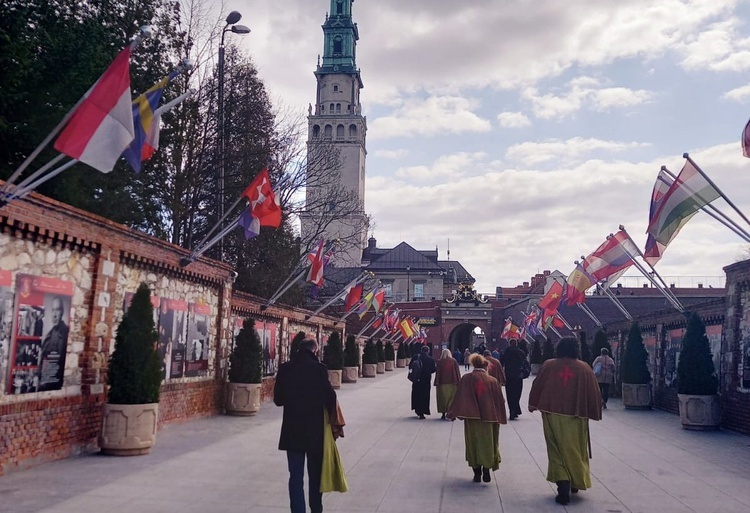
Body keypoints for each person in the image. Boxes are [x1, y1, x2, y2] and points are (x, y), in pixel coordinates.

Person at [528, 337, 602, 505]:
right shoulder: (585, 368)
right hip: (576, 415)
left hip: (552, 413)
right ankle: (576, 479)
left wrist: (533, 403)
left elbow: (537, 384)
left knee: (556, 448)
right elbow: (594, 392)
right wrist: (593, 410)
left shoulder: (549, 365)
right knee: (576, 447)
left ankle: (563, 483)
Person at [274, 335, 337, 513]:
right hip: (315, 433)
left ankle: (297, 510)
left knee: (295, 476)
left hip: (292, 431)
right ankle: (316, 509)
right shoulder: (319, 369)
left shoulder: (285, 368)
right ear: (315, 350)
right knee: (315, 475)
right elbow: (331, 398)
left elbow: (278, 400)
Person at [447, 353, 507, 483]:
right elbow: (500, 401)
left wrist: (452, 413)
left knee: (473, 443)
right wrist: (501, 416)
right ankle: (486, 470)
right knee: (488, 443)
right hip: (489, 418)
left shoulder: (466, 378)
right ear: (485, 366)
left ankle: (477, 473)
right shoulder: (492, 381)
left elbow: (459, 396)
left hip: (472, 418)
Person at [37, 296, 69, 391]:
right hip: (44, 383)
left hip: (55, 384)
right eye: (53, 310)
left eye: (58, 310)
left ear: (62, 312)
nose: (54, 315)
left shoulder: (66, 333)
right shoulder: (48, 336)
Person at [499, 338, 526, 420]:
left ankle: (512, 410)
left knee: (509, 394)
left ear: (509, 344)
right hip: (518, 375)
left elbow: (501, 362)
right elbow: (524, 363)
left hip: (509, 375)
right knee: (517, 393)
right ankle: (515, 409)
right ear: (516, 344)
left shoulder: (506, 352)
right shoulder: (521, 352)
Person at [434, 349, 461, 419]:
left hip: (442, 383)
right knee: (452, 398)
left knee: (442, 398)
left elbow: (438, 372)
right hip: (452, 382)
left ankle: (443, 413)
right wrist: (459, 381)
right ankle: (452, 413)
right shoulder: (453, 361)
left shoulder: (439, 361)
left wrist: (437, 381)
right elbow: (457, 371)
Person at [411, 345, 436, 419]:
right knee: (424, 396)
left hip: (417, 380)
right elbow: (433, 370)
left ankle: (417, 409)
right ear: (428, 351)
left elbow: (410, 366)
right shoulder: (430, 359)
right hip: (426, 381)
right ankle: (423, 411)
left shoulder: (415, 357)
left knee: (416, 395)